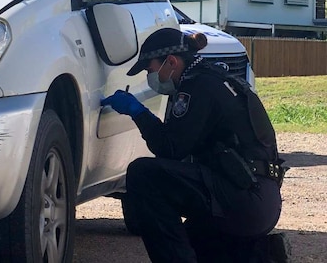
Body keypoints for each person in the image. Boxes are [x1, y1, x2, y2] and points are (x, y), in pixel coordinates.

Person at [101, 27, 288, 262]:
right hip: (260, 200)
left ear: (171, 61)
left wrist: (137, 112)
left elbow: (170, 148)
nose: (151, 77)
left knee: (143, 174)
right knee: (190, 241)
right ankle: (261, 255)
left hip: (242, 200)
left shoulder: (197, 87)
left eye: (151, 69)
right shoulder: (217, 80)